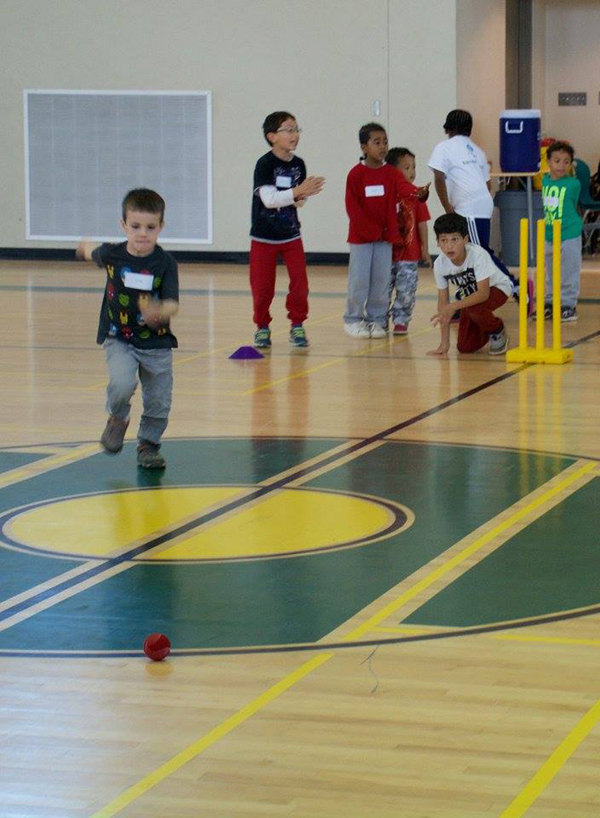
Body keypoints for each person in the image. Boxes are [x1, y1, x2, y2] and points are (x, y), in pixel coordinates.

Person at [76, 188, 178, 469]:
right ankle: (118, 418)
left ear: (161, 226)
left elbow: (173, 303)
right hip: (119, 337)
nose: (142, 234)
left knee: (158, 401)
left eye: (150, 227)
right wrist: (84, 249)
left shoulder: (165, 263)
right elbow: (93, 253)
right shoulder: (113, 253)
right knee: (122, 384)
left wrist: (159, 311)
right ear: (123, 226)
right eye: (135, 226)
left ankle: (148, 444)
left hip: (157, 344)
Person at [428, 109, 527, 312]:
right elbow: (487, 185)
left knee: (479, 252)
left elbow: (438, 179)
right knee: (469, 252)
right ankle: (466, 298)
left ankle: (514, 285)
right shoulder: (477, 151)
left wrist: (448, 208)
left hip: (469, 208)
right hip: (481, 204)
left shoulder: (444, 147)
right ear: (469, 129)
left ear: (448, 128)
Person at [250, 111, 325, 349]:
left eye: (296, 130)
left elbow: (297, 201)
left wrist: (302, 195)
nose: (295, 135)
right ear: (272, 136)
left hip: (291, 235)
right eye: (289, 130)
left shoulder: (298, 164)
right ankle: (262, 326)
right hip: (263, 237)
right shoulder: (264, 164)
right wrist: (298, 192)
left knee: (300, 285)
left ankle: (297, 324)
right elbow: (269, 199)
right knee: (262, 288)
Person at [344, 123, 402, 338]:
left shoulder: (391, 174)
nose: (383, 147)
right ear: (364, 147)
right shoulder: (356, 174)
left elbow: (400, 196)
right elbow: (353, 208)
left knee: (381, 280)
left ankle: (377, 319)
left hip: (384, 238)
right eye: (377, 142)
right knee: (359, 280)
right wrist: (370, 230)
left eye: (385, 142)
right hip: (362, 238)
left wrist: (419, 194)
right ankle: (353, 319)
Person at [428, 213, 513, 356]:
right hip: (472, 297)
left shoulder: (478, 255)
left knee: (475, 309)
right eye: (444, 240)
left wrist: (454, 306)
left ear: (465, 239)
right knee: (465, 347)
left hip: (498, 288)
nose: (449, 246)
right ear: (437, 242)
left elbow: (483, 294)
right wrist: (444, 343)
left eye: (455, 239)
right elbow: (443, 306)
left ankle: (497, 330)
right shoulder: (439, 265)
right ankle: (485, 329)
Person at [385, 147, 431, 335]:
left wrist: (425, 249)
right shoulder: (386, 194)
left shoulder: (417, 195)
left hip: (409, 255)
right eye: (406, 168)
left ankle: (401, 320)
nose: (412, 172)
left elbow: (422, 224)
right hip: (386, 253)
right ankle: (379, 319)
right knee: (382, 288)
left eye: (414, 167)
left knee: (406, 289)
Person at [539, 141, 582, 322]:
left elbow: (572, 204)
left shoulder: (573, 184)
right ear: (548, 161)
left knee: (569, 270)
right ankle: (550, 302)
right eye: (557, 161)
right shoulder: (544, 180)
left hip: (569, 233)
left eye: (566, 162)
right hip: (550, 233)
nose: (562, 166)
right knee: (551, 271)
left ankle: (568, 305)